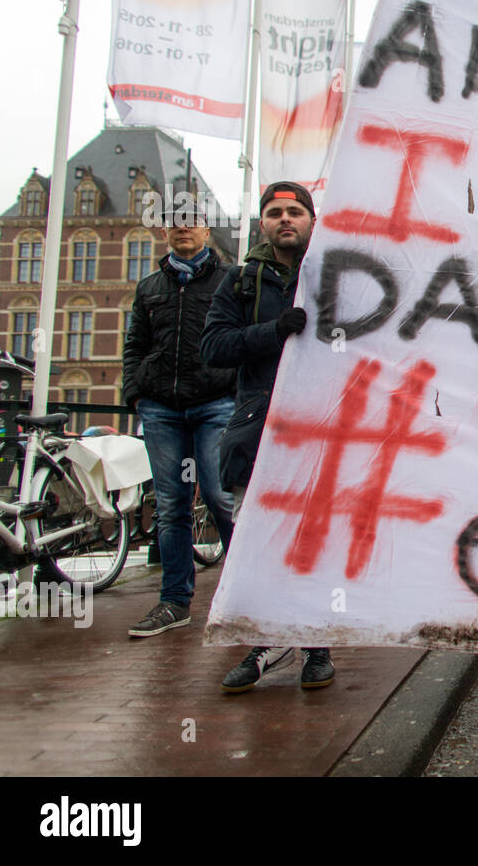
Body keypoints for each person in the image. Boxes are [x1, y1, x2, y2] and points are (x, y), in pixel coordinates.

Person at [199, 181, 332, 692]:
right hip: (259, 431)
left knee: (313, 540)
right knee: (258, 543)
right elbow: (213, 348)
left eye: (295, 211)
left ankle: (317, 647)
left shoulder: (333, 273)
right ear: (262, 224)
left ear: (312, 221)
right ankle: (262, 642)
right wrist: (274, 330)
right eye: (275, 212)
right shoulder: (240, 282)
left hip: (321, 428)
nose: (286, 219)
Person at [124, 213, 236, 638]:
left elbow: (237, 339)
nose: (182, 228)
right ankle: (174, 601)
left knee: (220, 496)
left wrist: (232, 390)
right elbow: (135, 344)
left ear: (207, 233)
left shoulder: (230, 281)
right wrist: (135, 393)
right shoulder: (149, 287)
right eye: (174, 222)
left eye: (192, 222)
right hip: (161, 409)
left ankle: (237, 592)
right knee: (170, 506)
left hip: (213, 404)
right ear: (165, 232)